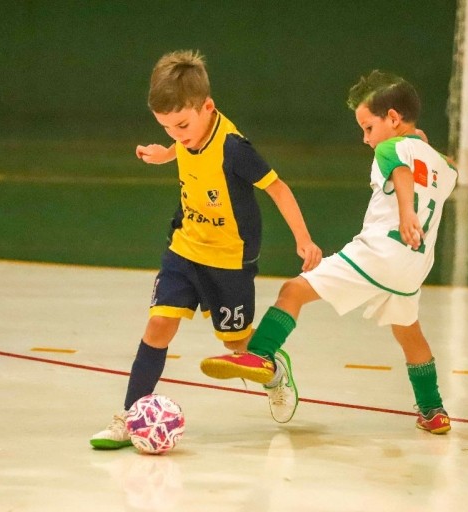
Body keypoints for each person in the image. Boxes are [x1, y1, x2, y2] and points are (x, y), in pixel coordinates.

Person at [200, 70, 458, 434]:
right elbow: (441, 166)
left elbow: (400, 172)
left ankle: (259, 354)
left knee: (294, 291)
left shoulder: (389, 149)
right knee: (408, 332)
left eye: (368, 127)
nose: (365, 139)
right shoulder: (444, 167)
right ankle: (434, 410)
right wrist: (422, 143)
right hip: (413, 266)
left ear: (394, 119)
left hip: (380, 252)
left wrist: (406, 212)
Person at [90, 50, 322, 449]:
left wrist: (304, 239)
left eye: (182, 125)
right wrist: (165, 153)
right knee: (159, 326)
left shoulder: (234, 148)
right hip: (185, 248)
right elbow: (184, 149)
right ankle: (130, 417)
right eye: (167, 128)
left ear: (208, 108)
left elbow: (278, 188)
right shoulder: (187, 136)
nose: (177, 134)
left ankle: (275, 372)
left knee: (237, 347)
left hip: (229, 262)